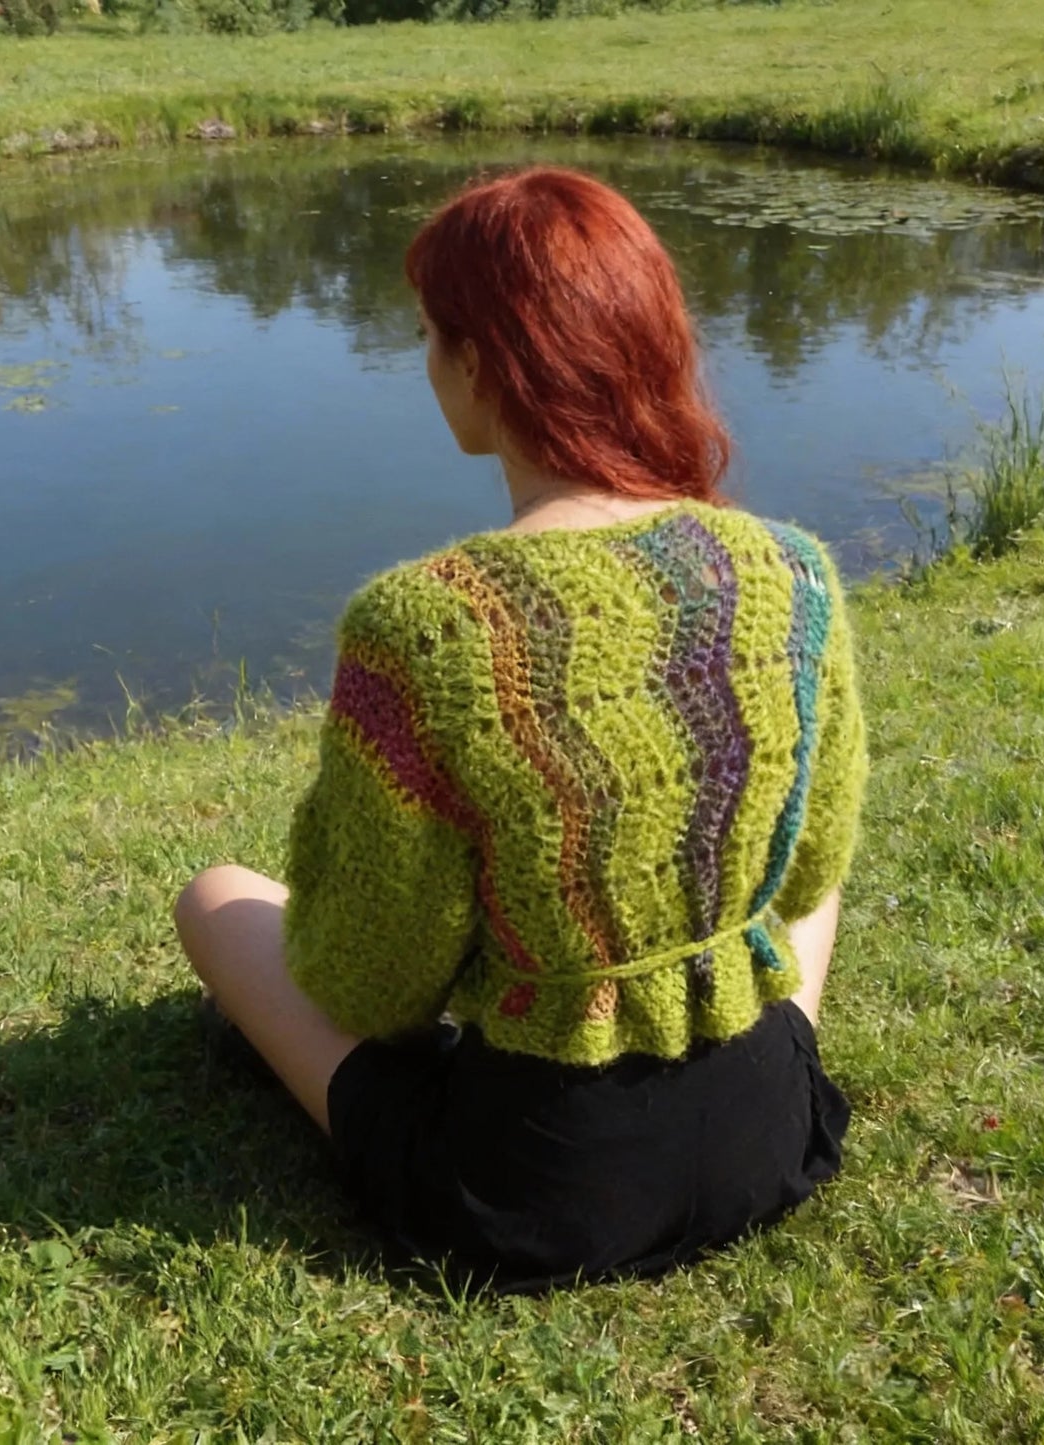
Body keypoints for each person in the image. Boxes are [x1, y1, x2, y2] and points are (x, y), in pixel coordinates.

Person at [175, 167, 867, 1291]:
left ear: (482, 363)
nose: (425, 364)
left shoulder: (428, 626)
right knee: (799, 873)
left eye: (427, 336)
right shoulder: (790, 571)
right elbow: (811, 873)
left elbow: (371, 987)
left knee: (213, 895)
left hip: (537, 1187)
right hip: (765, 1130)